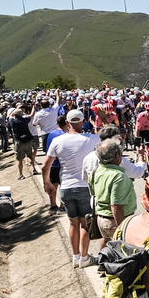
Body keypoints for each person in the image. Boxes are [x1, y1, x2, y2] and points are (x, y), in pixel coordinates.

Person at [43, 110, 100, 268]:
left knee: (73, 224)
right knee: (85, 224)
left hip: (66, 187)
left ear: (67, 123)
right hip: (85, 186)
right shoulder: (93, 139)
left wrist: (46, 183)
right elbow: (113, 139)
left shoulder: (58, 141)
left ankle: (75, 257)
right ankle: (84, 257)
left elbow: (45, 166)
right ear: (83, 122)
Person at [87, 139, 136, 245]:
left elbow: (93, 193)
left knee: (112, 252)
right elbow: (116, 206)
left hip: (102, 220)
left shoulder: (96, 171)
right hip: (115, 222)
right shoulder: (118, 177)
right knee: (124, 255)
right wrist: (121, 230)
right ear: (116, 156)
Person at [44, 115, 67, 212]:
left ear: (57, 123)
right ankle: (62, 206)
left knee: (53, 185)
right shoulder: (65, 135)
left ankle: (53, 205)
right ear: (67, 123)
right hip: (62, 163)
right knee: (64, 186)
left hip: (52, 164)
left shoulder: (51, 134)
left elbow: (47, 149)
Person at [10, 107, 39, 179]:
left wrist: (16, 109)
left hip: (19, 141)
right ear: (21, 114)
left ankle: (21, 175)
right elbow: (32, 114)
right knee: (30, 156)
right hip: (28, 140)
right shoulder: (25, 120)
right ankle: (34, 169)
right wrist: (33, 107)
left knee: (19, 159)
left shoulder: (12, 122)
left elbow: (10, 115)